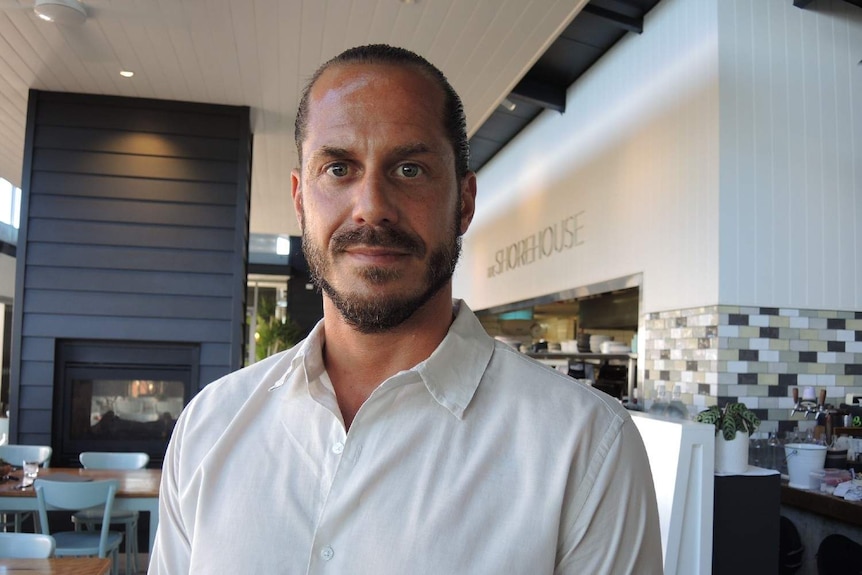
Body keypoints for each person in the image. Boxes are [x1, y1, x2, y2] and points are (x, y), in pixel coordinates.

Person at [149, 44, 663, 574]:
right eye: (339, 167)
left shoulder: (587, 448)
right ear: (300, 199)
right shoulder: (208, 430)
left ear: (463, 203)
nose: (372, 205)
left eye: (411, 169)